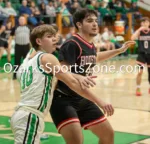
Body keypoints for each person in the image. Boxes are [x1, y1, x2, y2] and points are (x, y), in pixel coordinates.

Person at [10, 24, 113, 144]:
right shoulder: (48, 58)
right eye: (49, 36)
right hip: (30, 115)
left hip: (22, 114)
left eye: (55, 36)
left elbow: (61, 72)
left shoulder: (28, 62)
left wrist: (77, 75)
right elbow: (72, 82)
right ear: (38, 41)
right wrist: (100, 101)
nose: (55, 39)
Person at [50, 8, 135, 144]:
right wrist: (99, 101)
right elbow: (62, 72)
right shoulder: (72, 44)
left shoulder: (90, 45)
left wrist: (119, 50)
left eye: (96, 21)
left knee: (108, 135)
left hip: (82, 97)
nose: (95, 24)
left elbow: (94, 58)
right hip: (63, 100)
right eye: (90, 21)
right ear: (79, 24)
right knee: (77, 141)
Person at [131, 17, 150, 96]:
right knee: (140, 72)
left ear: (149, 23)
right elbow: (132, 38)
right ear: (141, 24)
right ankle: (138, 88)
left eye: (146, 22)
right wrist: (138, 29)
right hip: (141, 54)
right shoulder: (139, 32)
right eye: (143, 22)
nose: (145, 24)